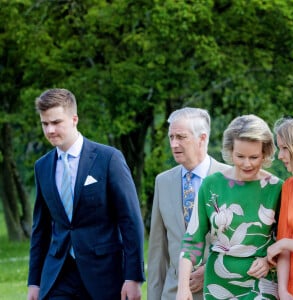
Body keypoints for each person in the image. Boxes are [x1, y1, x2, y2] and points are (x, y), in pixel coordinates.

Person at [27, 88, 145, 300]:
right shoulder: (42, 166)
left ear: (74, 119)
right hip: (58, 274)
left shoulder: (109, 158)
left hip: (104, 274)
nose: (50, 130)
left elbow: (130, 220)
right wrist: (34, 282)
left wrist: (133, 277)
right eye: (45, 124)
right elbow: (40, 228)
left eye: (56, 122)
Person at [177, 114, 283, 300]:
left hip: (261, 284)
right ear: (230, 151)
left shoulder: (277, 188)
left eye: (254, 157)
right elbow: (192, 240)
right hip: (218, 284)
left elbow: (285, 240)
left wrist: (268, 261)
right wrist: (182, 287)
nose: (247, 163)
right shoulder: (211, 185)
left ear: (265, 153)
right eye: (240, 156)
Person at [147, 107, 229, 300]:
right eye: (171, 137)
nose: (174, 144)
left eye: (181, 137)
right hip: (172, 293)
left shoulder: (229, 179)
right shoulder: (163, 181)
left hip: (219, 292)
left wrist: (209, 270)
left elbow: (242, 244)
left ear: (202, 138)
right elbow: (158, 251)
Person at [267, 117, 293, 300]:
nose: (280, 156)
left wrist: (285, 243)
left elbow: (284, 244)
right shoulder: (288, 186)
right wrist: (283, 291)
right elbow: (283, 243)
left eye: (285, 148)